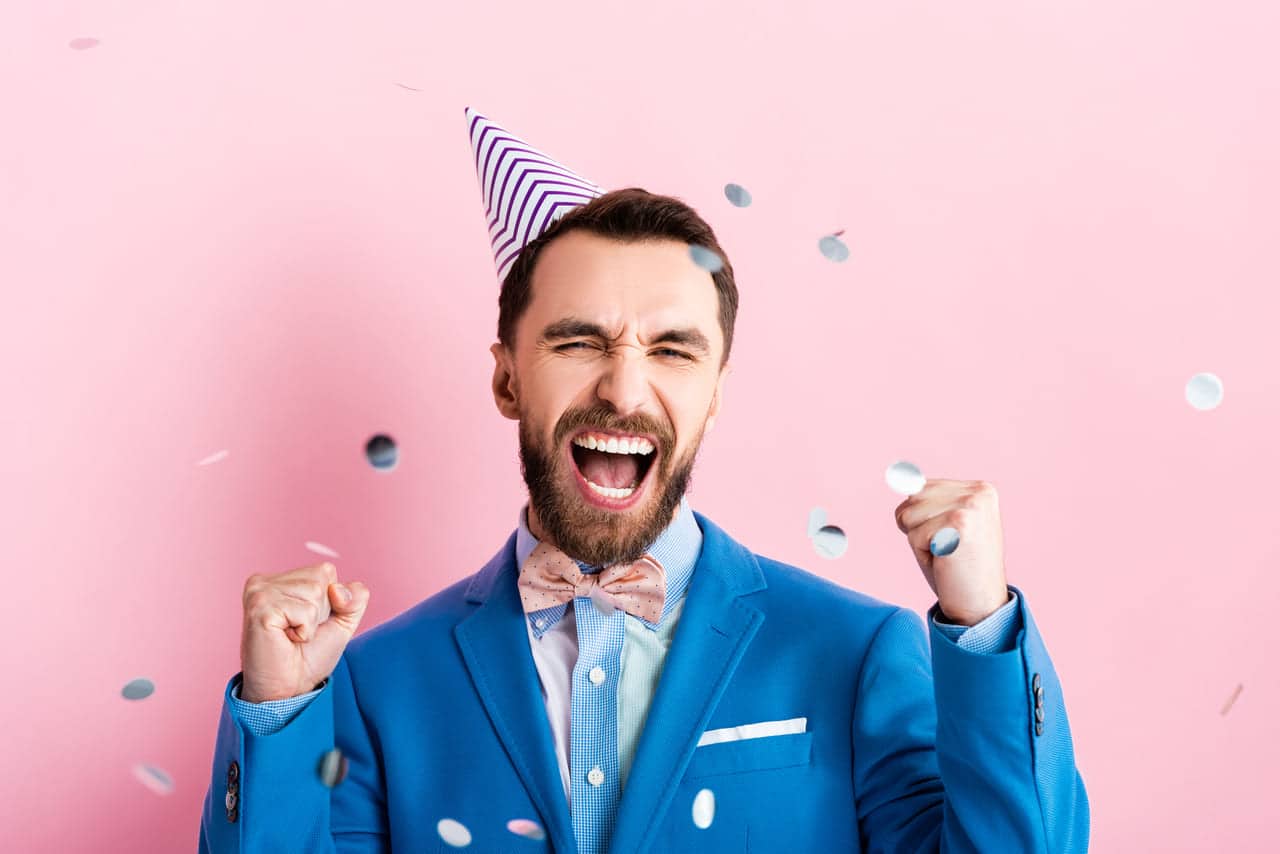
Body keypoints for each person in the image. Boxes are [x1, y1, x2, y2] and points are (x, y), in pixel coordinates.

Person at [198, 108, 1090, 853]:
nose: (624, 388)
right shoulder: (376, 683)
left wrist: (980, 631)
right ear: (508, 377)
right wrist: (279, 712)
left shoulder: (856, 656)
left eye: (671, 350)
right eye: (579, 341)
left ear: (713, 396)